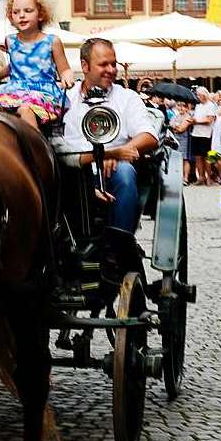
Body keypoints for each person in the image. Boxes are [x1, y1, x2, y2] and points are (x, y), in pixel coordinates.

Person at [53, 38, 159, 275]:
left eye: (114, 64)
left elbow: (148, 136)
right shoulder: (64, 97)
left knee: (123, 173)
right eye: (104, 64)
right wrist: (98, 156)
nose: (111, 70)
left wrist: (118, 153)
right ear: (85, 65)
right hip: (72, 171)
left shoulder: (126, 98)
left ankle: (118, 249)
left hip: (114, 171)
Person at [0, 0, 73, 129]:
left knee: (25, 109)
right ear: (11, 17)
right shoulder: (10, 41)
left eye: (28, 11)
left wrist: (67, 77)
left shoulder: (51, 42)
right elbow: (15, 66)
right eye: (16, 12)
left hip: (42, 92)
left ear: (41, 14)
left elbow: (64, 69)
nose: (21, 15)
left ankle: (36, 147)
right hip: (15, 90)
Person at [191, 87, 217, 185]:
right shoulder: (198, 106)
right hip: (196, 133)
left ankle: (209, 177)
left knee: (208, 157)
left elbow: (209, 120)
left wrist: (196, 121)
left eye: (199, 95)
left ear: (204, 95)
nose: (198, 97)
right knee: (198, 157)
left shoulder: (210, 105)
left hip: (206, 134)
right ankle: (201, 177)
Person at [169, 101, 194, 184]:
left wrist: (176, 126)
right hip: (176, 139)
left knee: (185, 159)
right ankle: (177, 177)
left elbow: (181, 129)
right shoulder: (175, 116)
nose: (181, 108)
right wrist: (177, 126)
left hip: (185, 139)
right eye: (179, 106)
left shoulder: (188, 116)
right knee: (176, 158)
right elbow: (171, 125)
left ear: (187, 108)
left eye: (183, 106)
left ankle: (186, 178)